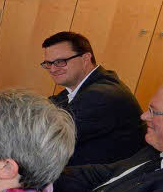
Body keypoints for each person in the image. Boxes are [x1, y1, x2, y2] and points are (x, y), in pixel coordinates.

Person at [42, 32, 145, 166]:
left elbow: (46, 136)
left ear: (85, 58)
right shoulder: (82, 87)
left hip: (102, 181)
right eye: (48, 63)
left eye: (60, 62)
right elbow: (43, 110)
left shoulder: (101, 96)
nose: (53, 69)